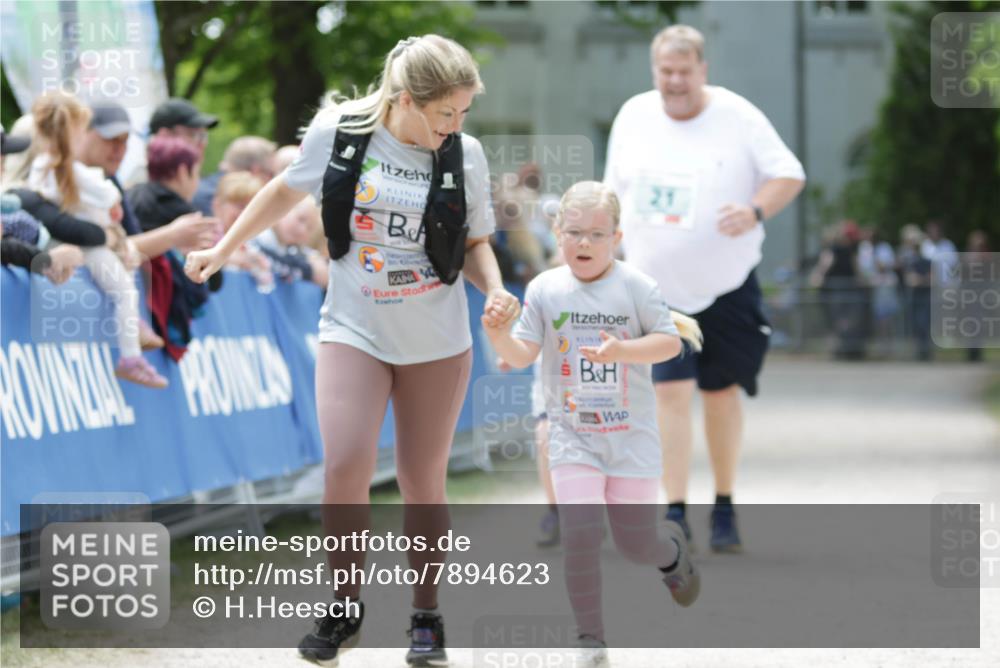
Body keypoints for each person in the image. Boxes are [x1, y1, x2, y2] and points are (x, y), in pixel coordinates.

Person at [184, 34, 520, 667]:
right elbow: (284, 192)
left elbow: (475, 242)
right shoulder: (341, 131)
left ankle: (426, 614)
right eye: (445, 112)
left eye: (463, 112)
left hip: (435, 341)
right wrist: (223, 248)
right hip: (353, 326)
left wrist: (498, 291)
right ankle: (343, 607)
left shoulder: (463, 155)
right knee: (345, 464)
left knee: (422, 481)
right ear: (403, 99)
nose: (455, 126)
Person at [604, 24, 805, 551]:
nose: (674, 82)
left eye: (684, 72)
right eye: (665, 72)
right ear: (655, 72)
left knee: (720, 395)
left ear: (702, 71)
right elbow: (613, 195)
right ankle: (675, 510)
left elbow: (789, 173)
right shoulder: (633, 115)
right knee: (669, 394)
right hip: (657, 289)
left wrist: (755, 209)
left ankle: (724, 504)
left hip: (728, 285)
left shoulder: (737, 115)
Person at [484, 181, 703, 665]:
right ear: (558, 232)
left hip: (630, 439)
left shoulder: (636, 286)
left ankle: (668, 552)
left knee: (634, 545)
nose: (584, 243)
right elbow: (521, 355)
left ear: (616, 237)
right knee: (579, 533)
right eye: (574, 232)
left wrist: (623, 350)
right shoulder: (545, 289)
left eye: (597, 234)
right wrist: (499, 336)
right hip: (571, 435)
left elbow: (668, 344)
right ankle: (591, 637)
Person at [27, 92, 167, 388]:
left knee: (127, 263)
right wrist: (112, 210)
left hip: (84, 244)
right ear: (76, 132)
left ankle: (133, 324)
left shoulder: (42, 166)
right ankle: (130, 356)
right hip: (89, 247)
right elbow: (107, 195)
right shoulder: (71, 170)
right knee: (125, 292)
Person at [192, 135, 277, 214]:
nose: (272, 180)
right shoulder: (216, 199)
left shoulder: (200, 190)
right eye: (271, 174)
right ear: (255, 171)